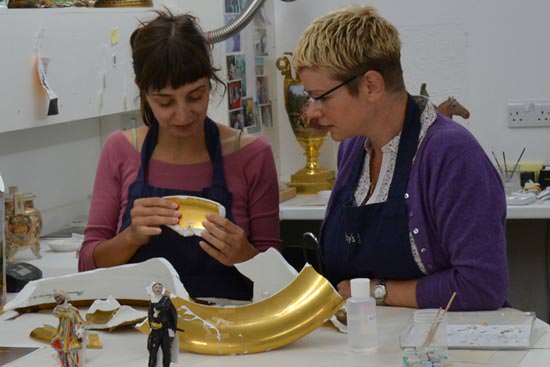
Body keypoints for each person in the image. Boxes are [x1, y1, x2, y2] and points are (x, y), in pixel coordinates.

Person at [292, 5, 507, 311]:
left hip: (439, 347)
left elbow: (482, 286)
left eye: (322, 97)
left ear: (371, 86)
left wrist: (378, 291)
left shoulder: (452, 155)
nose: (312, 112)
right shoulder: (352, 149)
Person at [79, 9, 280, 302]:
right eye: (165, 102)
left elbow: (277, 282)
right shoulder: (120, 150)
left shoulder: (251, 155)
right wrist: (130, 237)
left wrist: (245, 255)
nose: (183, 114)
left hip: (228, 332)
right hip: (138, 333)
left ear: (210, 83)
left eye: (195, 96)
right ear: (144, 92)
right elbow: (87, 264)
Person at [50, 290, 85, 367]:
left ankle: (75, 365)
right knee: (62, 350)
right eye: (55, 298)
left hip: (73, 334)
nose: (57, 299)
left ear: (64, 296)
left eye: (59, 297)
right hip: (62, 334)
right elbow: (59, 314)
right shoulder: (57, 310)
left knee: (73, 352)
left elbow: (79, 322)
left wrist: (79, 332)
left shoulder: (74, 309)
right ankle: (64, 364)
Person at [147, 282, 178, 367]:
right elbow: (149, 315)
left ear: (162, 289)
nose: (158, 289)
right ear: (153, 289)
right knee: (153, 353)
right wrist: (151, 324)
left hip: (165, 331)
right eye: (156, 287)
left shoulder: (166, 300)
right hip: (155, 332)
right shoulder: (152, 301)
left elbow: (172, 314)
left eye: (160, 287)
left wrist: (171, 328)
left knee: (166, 352)